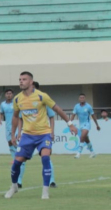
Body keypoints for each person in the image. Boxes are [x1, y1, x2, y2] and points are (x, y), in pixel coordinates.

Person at [5, 72, 77, 200]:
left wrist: (70, 124)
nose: (21, 81)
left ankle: (45, 191)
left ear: (31, 82)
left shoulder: (41, 96)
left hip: (44, 134)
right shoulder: (17, 99)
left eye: (24, 79)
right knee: (16, 163)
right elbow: (16, 117)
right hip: (27, 136)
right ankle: (14, 186)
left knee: (45, 159)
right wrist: (14, 134)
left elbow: (57, 109)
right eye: (20, 79)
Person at [16, 81, 56, 188]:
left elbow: (52, 116)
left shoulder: (42, 100)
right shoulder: (22, 100)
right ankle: (18, 181)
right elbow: (20, 118)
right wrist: (19, 132)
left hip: (42, 134)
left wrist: (52, 131)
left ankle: (51, 180)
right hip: (28, 134)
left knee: (46, 158)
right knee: (21, 159)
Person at [0, 89, 25, 176]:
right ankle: (15, 158)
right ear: (5, 95)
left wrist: (20, 129)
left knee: (16, 143)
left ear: (12, 94)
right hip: (8, 127)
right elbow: (1, 113)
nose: (9, 95)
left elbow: (20, 116)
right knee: (10, 143)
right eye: (7, 94)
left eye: (10, 93)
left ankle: (18, 158)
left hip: (16, 126)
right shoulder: (2, 104)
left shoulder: (16, 103)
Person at [70, 93, 100, 159]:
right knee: (86, 139)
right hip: (81, 125)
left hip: (87, 124)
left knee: (82, 136)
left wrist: (97, 125)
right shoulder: (76, 106)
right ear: (79, 99)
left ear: (85, 98)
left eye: (83, 97)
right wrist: (70, 123)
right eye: (80, 98)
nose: (82, 99)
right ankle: (93, 152)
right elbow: (73, 115)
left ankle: (78, 153)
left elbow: (93, 116)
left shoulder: (88, 106)